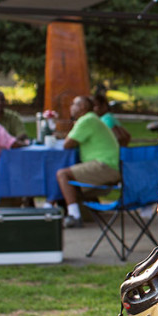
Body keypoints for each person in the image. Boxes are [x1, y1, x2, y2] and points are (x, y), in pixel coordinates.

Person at [56, 95, 121, 228]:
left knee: (63, 174)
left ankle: (74, 216)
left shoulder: (86, 120)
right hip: (111, 166)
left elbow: (67, 144)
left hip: (105, 166)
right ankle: (81, 212)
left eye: (74, 104)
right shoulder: (92, 119)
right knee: (71, 175)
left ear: (83, 107)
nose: (71, 107)